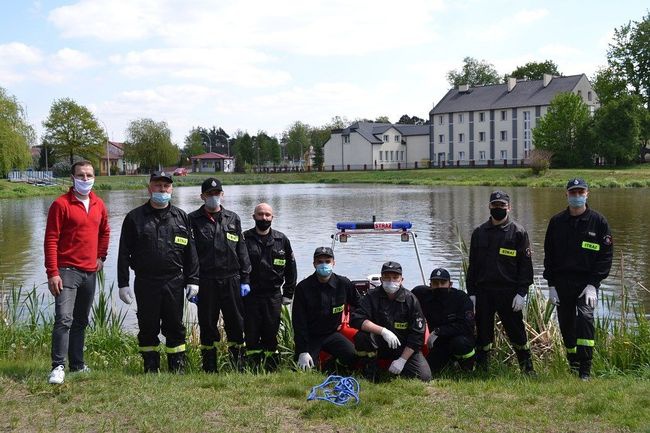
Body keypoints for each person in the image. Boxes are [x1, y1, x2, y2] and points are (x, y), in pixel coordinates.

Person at [117, 171, 199, 373]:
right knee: (147, 326)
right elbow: (123, 253)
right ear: (149, 188)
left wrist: (193, 280)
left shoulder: (181, 217)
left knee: (175, 326)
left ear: (171, 189)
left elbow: (191, 253)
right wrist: (123, 283)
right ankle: (150, 368)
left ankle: (177, 368)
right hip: (146, 282)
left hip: (174, 281)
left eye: (166, 187)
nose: (162, 190)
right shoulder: (134, 218)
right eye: (158, 186)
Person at [44, 160, 110, 384]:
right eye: (81, 175)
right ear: (72, 178)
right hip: (66, 271)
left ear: (94, 178)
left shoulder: (99, 204)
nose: (85, 179)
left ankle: (78, 364)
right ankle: (57, 367)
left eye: (89, 175)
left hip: (89, 272)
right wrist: (52, 272)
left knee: (81, 320)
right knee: (64, 319)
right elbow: (51, 239)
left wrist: (101, 257)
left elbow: (105, 231)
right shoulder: (61, 204)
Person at [543, 178, 613, 380]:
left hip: (586, 284)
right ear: (566, 195)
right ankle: (573, 364)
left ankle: (585, 369)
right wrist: (551, 285)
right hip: (562, 283)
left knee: (585, 319)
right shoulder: (556, 222)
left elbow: (606, 256)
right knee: (566, 324)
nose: (576, 196)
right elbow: (549, 255)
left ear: (587, 194)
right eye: (573, 193)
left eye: (580, 192)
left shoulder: (599, 222)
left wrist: (593, 284)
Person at [466, 190, 535, 374]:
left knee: (517, 333)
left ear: (509, 207)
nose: (498, 208)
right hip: (484, 293)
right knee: (483, 334)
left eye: (502, 206)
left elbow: (525, 267)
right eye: (495, 205)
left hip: (509, 293)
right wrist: (471, 293)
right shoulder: (479, 233)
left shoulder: (518, 233)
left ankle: (528, 369)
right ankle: (482, 369)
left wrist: (522, 292)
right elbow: (472, 266)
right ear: (489, 207)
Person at [188, 177, 251, 372]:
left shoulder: (233, 218)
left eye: (217, 194)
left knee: (236, 324)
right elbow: (190, 253)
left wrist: (245, 278)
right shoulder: (192, 219)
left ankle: (238, 366)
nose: (214, 197)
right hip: (206, 281)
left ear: (222, 195)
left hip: (232, 279)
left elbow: (242, 250)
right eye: (209, 194)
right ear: (202, 196)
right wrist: (192, 281)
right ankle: (209, 368)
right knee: (207, 325)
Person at [350, 261, 432, 382]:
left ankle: (400, 366)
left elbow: (417, 335)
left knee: (424, 377)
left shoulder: (411, 300)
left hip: (403, 347)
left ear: (401, 279)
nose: (391, 281)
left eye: (395, 277)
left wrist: (402, 360)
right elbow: (356, 319)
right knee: (361, 337)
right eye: (387, 277)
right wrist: (383, 331)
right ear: (381, 278)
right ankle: (369, 369)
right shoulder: (371, 296)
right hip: (379, 344)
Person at [243, 203, 297, 371]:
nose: (264, 218)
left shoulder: (282, 240)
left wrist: (288, 293)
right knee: (251, 333)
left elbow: (291, 269)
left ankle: (271, 367)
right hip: (250, 296)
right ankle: (252, 367)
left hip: (273, 296)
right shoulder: (244, 238)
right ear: (253, 217)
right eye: (260, 214)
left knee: (271, 332)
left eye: (267, 215)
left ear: (272, 218)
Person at [292, 247, 360, 372]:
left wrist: (354, 322)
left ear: (334, 263)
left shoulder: (344, 284)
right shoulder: (303, 288)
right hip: (311, 337)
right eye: (320, 261)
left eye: (327, 261)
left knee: (353, 357)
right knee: (303, 370)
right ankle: (313, 361)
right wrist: (303, 351)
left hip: (332, 334)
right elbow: (298, 323)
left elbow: (359, 306)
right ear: (314, 264)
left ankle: (331, 364)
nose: (324, 265)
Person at [412, 268, 476, 374]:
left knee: (460, 343)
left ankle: (469, 367)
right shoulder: (422, 294)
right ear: (430, 284)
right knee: (431, 370)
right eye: (436, 283)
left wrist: (438, 331)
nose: (439, 286)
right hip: (438, 342)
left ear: (450, 284)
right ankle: (450, 363)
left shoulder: (461, 298)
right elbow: (405, 299)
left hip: (459, 338)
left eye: (443, 283)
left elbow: (466, 326)